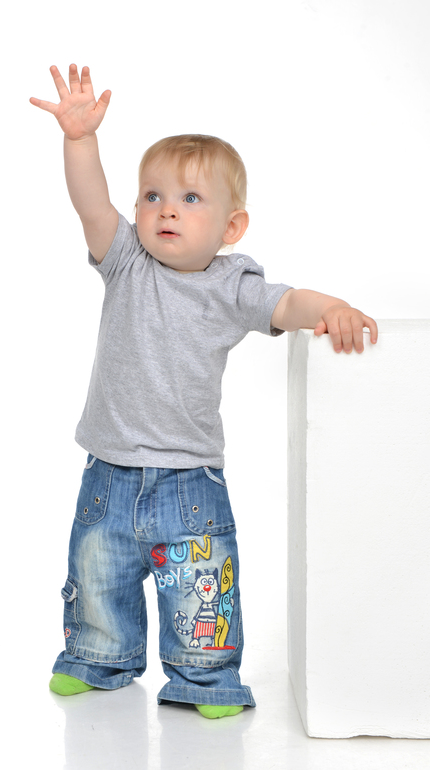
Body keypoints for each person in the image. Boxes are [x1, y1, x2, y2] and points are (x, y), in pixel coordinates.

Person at [30, 64, 378, 719]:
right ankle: (99, 657)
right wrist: (80, 140)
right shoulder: (126, 260)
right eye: (152, 195)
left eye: (190, 199)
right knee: (99, 574)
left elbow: (288, 302)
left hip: (188, 479)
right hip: (108, 471)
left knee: (200, 584)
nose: (166, 209)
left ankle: (206, 678)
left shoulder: (231, 286)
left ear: (231, 227)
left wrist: (331, 308)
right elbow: (90, 204)